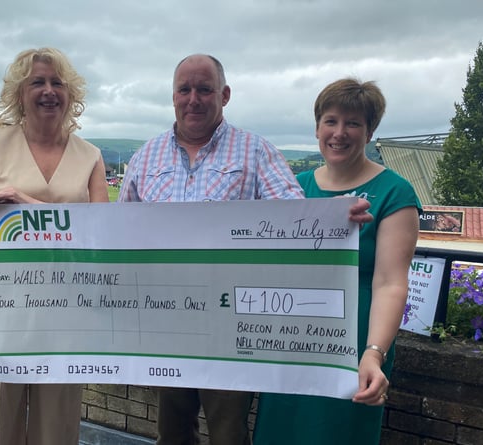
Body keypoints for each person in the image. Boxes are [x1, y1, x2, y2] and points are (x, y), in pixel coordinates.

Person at [118, 55, 371, 445]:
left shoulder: (254, 151)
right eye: (185, 90)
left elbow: (293, 214)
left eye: (204, 90)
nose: (194, 99)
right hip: (164, 322)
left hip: (231, 323)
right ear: (173, 96)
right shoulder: (145, 157)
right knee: (171, 431)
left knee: (228, 432)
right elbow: (119, 235)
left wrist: (334, 217)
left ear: (224, 95)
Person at [254, 78, 421, 445]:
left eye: (353, 123)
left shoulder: (395, 193)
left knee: (337, 434)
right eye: (330, 121)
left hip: (355, 339)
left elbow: (390, 282)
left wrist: (373, 354)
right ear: (317, 128)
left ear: (370, 131)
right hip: (289, 337)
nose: (339, 133)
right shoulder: (294, 189)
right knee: (280, 432)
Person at [0, 47, 109, 445]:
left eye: (58, 83)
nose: (48, 91)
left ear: (71, 94)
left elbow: (100, 239)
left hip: (65, 318)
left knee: (55, 432)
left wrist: (30, 205)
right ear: (20, 93)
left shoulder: (90, 157)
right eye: (37, 82)